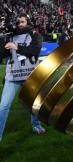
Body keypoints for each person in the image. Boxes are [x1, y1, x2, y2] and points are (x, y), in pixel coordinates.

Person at [0, 13, 46, 142]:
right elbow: (2, 55)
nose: (20, 24)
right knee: (3, 106)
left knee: (34, 103)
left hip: (30, 77)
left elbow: (34, 51)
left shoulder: (35, 35)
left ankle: (36, 125)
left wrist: (17, 47)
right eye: (18, 22)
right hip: (12, 77)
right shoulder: (10, 36)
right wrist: (2, 39)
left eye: (23, 22)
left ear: (28, 22)